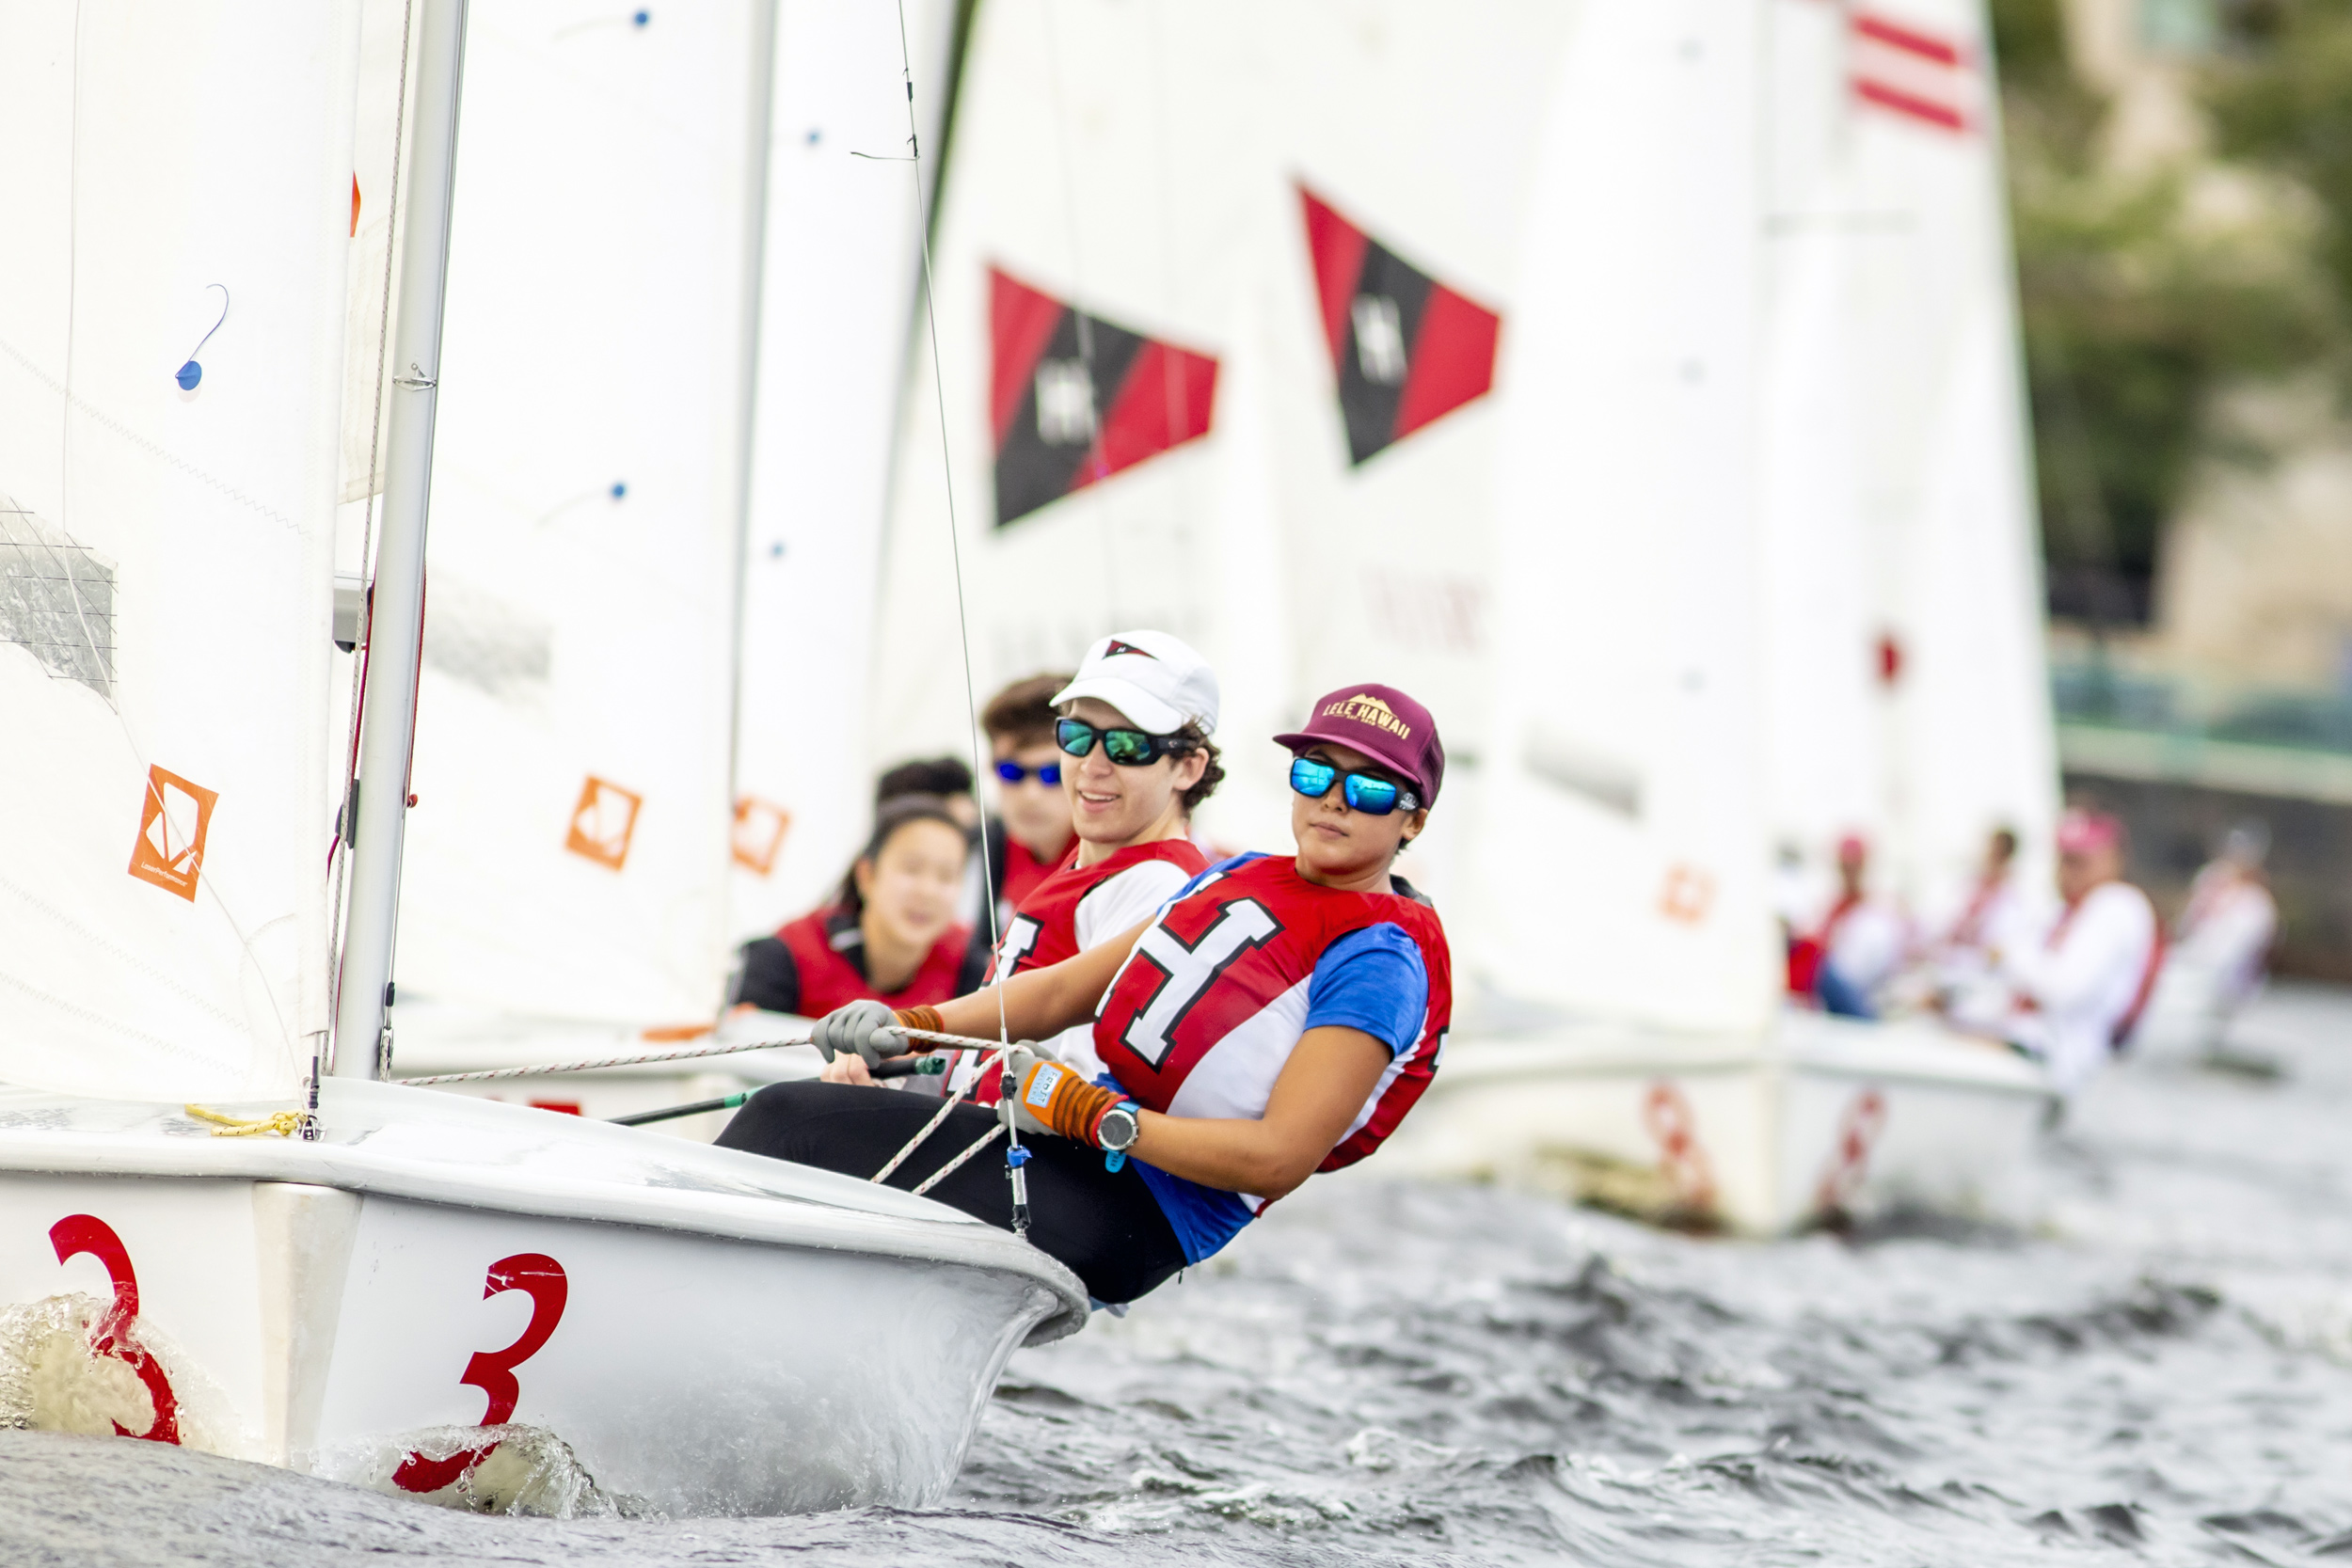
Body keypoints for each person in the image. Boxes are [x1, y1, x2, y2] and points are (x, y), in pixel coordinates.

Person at [717, 684, 1452, 1307]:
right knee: (803, 1117)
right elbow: (1068, 987)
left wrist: (1097, 1116)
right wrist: (912, 1027)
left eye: (1370, 788)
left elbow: (1278, 1158)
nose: (1333, 801)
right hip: (1069, 1152)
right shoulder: (1245, 874)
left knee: (791, 1121)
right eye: (1316, 771)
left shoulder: (1382, 960)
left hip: (1137, 1212)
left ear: (1413, 818)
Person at [950, 633, 1220, 1099]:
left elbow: (1078, 1080)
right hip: (979, 1123)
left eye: (1128, 746)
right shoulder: (1095, 863)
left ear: (1189, 768)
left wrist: (908, 1029)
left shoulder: (1160, 883)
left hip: (1017, 1152)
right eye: (1076, 738)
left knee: (791, 1114)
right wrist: (901, 1059)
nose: (1092, 766)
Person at [725, 795, 990, 1020]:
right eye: (912, 869)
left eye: (946, 876)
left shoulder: (974, 970)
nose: (927, 891)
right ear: (867, 875)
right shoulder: (785, 957)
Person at [1995, 808, 2161, 1099]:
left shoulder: (2116, 905)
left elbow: (2063, 989)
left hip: (2063, 1060)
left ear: (2114, 860)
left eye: (2080, 861)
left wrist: (2007, 956)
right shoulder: (2066, 911)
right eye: (2065, 859)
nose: (2068, 871)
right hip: (2036, 1047)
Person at [2158, 821, 2278, 1053]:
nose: (2236, 858)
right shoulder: (2210, 879)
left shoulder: (2257, 904)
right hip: (2191, 969)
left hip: (2228, 984)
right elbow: (2184, 925)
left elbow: (2238, 956)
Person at [977, 673, 1078, 924]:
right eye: (1011, 772)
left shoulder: (1126, 859)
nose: (1031, 795)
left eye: (1053, 773)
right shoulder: (986, 849)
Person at [1789, 834, 1907, 1020]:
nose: (1848, 870)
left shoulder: (1876, 916)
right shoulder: (1827, 906)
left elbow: (1854, 974)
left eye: (1854, 865)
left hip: (1858, 1002)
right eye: (1845, 865)